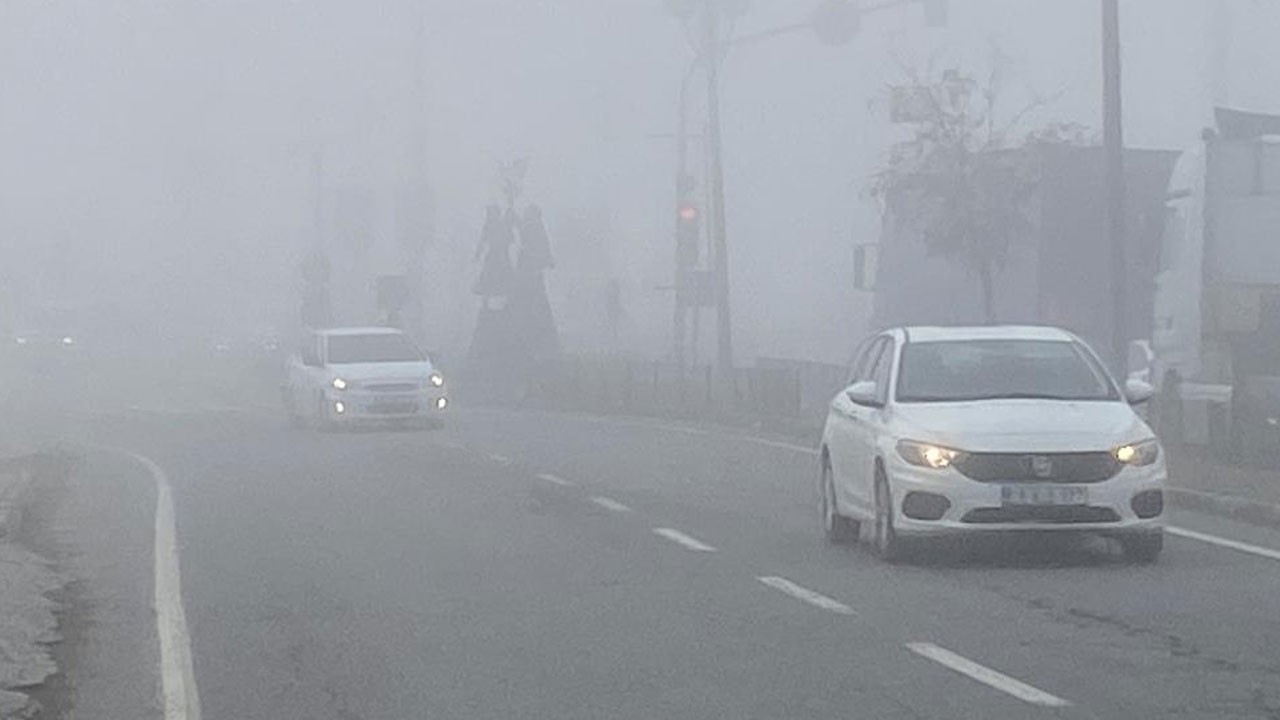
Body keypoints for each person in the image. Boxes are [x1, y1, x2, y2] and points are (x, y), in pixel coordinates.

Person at [472, 205, 514, 299]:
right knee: (488, 274)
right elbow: (482, 241)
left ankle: (507, 296)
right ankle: (487, 297)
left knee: (505, 274)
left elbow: (509, 239)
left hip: (502, 254)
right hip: (494, 254)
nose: (491, 215)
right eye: (490, 213)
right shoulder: (488, 226)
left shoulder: (503, 224)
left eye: (492, 213)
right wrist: (477, 254)